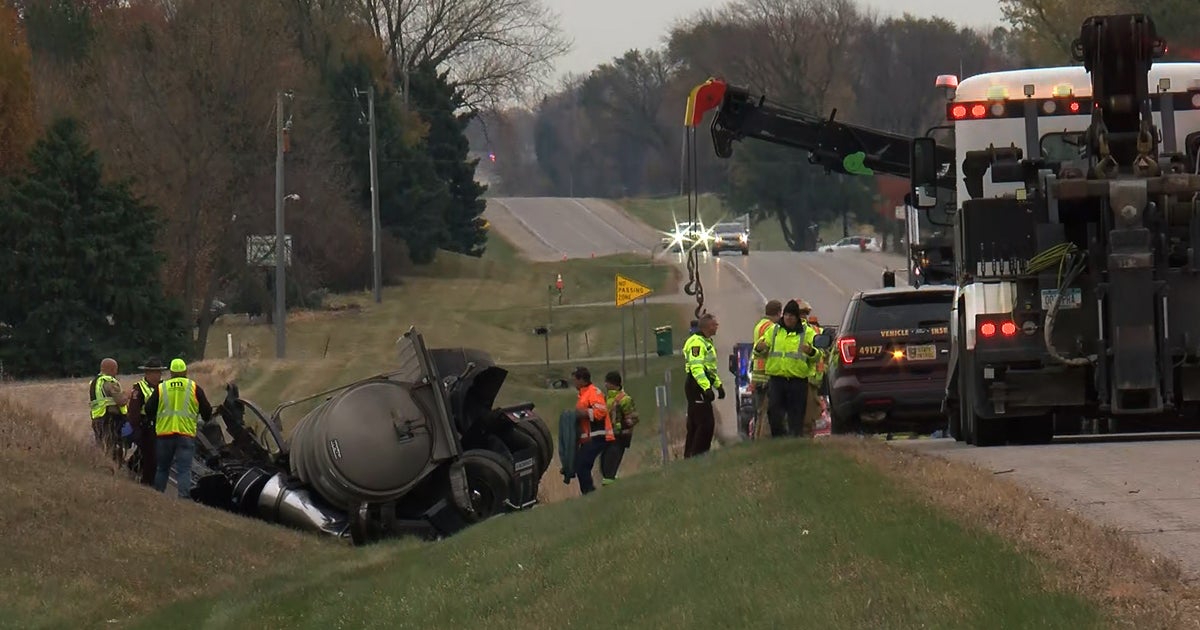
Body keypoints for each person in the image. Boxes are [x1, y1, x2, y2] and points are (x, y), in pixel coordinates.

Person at [144, 358, 213, 499]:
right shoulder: (194, 387)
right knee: (184, 469)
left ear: (171, 373)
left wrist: (155, 419)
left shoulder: (161, 388)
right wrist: (203, 418)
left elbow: (149, 409)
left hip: (164, 434)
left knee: (162, 468)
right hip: (185, 434)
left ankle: (158, 496)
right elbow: (207, 411)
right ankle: (183, 498)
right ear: (185, 372)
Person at [754, 300, 818, 438]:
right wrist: (759, 348)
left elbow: (817, 356)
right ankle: (780, 439)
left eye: (792, 315)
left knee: (796, 415)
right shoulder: (774, 330)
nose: (788, 318)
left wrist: (811, 351)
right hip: (777, 380)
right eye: (786, 315)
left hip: (798, 381)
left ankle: (794, 441)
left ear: (797, 318)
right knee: (774, 412)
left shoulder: (807, 333)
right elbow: (759, 349)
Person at [682, 312, 723, 457]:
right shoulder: (697, 343)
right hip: (696, 385)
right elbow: (697, 368)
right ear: (707, 327)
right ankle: (698, 454)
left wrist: (718, 385)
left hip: (701, 384)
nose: (717, 327)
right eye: (714, 324)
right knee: (705, 423)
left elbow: (709, 368)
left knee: (697, 422)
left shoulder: (706, 341)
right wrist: (706, 388)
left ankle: (692, 455)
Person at [569, 366, 614, 495]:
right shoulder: (583, 394)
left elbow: (601, 411)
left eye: (575, 380)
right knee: (580, 464)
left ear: (582, 380)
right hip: (589, 438)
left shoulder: (593, 392)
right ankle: (588, 492)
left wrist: (583, 413)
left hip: (597, 436)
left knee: (582, 465)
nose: (574, 383)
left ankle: (589, 493)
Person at [126, 357, 166, 486]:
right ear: (147, 373)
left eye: (159, 372)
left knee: (153, 456)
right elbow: (133, 411)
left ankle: (133, 468)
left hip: (162, 426)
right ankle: (147, 484)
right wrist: (136, 430)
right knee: (151, 459)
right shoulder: (139, 388)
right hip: (146, 427)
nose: (158, 375)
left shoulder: (164, 386)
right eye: (155, 372)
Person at [750, 300, 783, 439]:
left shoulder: (760, 325)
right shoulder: (771, 327)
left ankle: (757, 438)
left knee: (759, 412)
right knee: (766, 412)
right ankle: (762, 438)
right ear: (779, 312)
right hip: (766, 374)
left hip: (758, 373)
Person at [600, 371, 639, 485]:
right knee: (604, 466)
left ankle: (610, 489)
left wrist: (620, 427)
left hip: (619, 437)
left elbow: (634, 418)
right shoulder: (606, 398)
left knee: (610, 467)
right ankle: (611, 485)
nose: (605, 385)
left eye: (607, 382)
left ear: (613, 384)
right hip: (607, 436)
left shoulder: (625, 399)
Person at [88, 358, 129, 464]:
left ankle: (102, 466)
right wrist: (128, 395)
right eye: (116, 369)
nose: (116, 372)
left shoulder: (95, 382)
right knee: (112, 448)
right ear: (111, 369)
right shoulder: (109, 381)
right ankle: (114, 470)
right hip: (109, 420)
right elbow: (120, 401)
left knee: (102, 446)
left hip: (97, 419)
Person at [804, 314, 829, 436]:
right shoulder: (821, 332)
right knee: (818, 407)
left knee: (812, 408)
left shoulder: (807, 332)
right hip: (820, 377)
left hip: (812, 377)